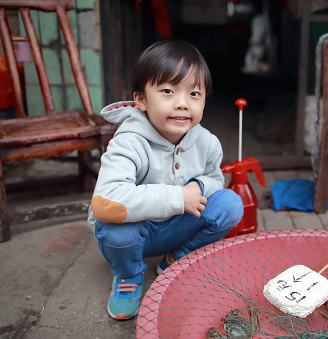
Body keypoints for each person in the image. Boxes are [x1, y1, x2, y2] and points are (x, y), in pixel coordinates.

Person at [87, 39, 244, 320]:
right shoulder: (129, 142)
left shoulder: (207, 142)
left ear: (206, 99)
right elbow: (105, 202)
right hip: (137, 233)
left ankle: (177, 258)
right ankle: (128, 277)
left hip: (176, 228)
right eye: (168, 91)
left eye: (194, 93)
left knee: (230, 204)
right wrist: (177, 198)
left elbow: (215, 179)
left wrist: (198, 187)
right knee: (113, 229)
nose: (182, 103)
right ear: (141, 99)